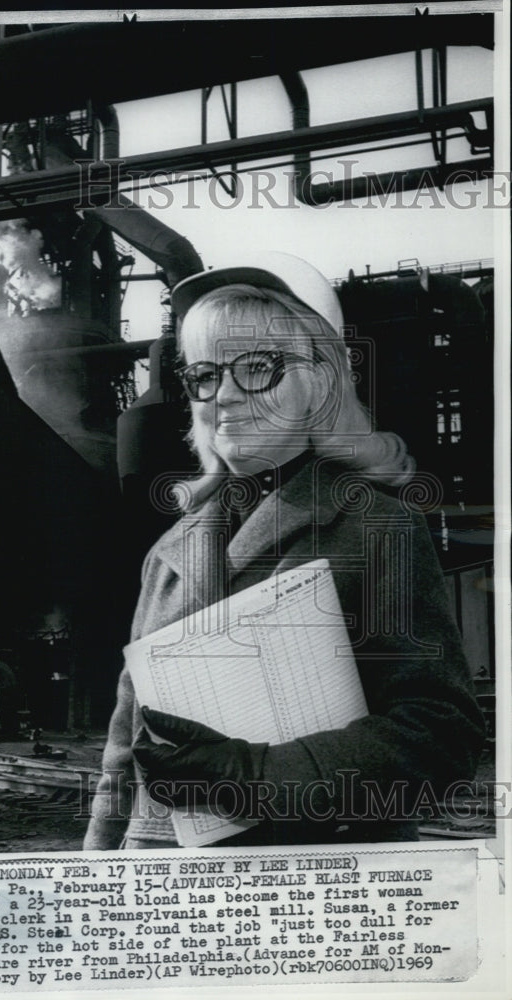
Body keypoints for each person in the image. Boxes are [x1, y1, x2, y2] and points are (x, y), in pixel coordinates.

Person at [84, 253, 484, 850]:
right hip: (165, 887)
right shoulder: (168, 551)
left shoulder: (375, 526)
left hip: (310, 875)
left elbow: (441, 733)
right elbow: (125, 748)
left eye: (257, 368)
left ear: (320, 382)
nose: (224, 395)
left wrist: (261, 776)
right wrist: (99, 881)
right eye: (205, 374)